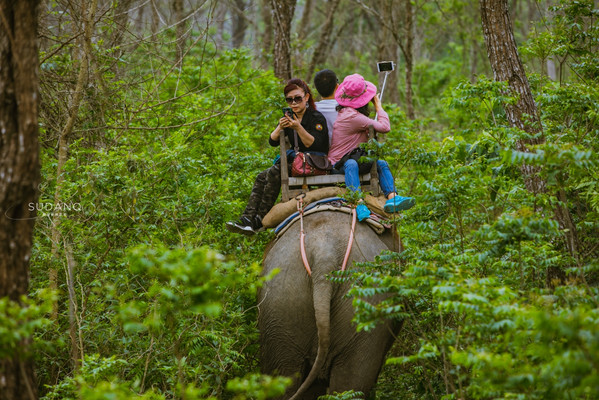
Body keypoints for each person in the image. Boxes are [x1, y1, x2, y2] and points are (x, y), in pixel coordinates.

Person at [226, 78, 329, 235]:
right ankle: (247, 219)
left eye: (297, 98)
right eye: (289, 100)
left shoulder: (316, 117)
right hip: (297, 162)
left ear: (306, 97)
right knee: (262, 176)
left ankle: (259, 219)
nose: (294, 103)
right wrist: (280, 127)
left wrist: (298, 127)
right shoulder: (290, 117)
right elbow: (272, 141)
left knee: (275, 172)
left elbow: (313, 144)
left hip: (314, 163)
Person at [328, 73, 415, 221]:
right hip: (340, 163)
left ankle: (393, 197)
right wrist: (378, 106)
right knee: (351, 164)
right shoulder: (352, 116)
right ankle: (358, 202)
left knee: (381, 163)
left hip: (355, 157)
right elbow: (385, 127)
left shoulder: (350, 113)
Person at [313, 69, 339, 146]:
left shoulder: (312, 108)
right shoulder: (345, 109)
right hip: (342, 154)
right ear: (337, 86)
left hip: (317, 155)